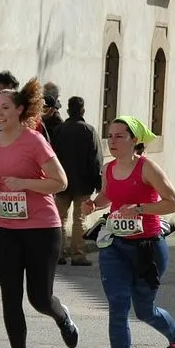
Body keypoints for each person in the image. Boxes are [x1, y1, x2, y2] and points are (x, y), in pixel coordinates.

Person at [81, 116, 175, 348]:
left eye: (119, 136)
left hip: (147, 248)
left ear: (134, 140)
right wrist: (94, 204)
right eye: (110, 135)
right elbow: (108, 195)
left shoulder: (147, 168)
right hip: (115, 246)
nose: (112, 141)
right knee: (118, 306)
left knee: (144, 311)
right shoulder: (108, 169)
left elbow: (174, 203)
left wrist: (140, 208)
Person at [0, 78, 79, 348]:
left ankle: (61, 315)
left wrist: (24, 183)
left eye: (5, 108)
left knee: (39, 298)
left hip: (41, 226)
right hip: (6, 226)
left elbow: (60, 182)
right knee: (10, 297)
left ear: (20, 109)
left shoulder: (34, 140)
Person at [51, 96, 102, 266]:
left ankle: (58, 253)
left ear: (67, 111)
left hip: (61, 182)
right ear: (83, 111)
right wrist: (98, 182)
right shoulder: (89, 130)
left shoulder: (59, 130)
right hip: (84, 182)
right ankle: (78, 254)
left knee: (59, 218)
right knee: (79, 219)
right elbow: (96, 159)